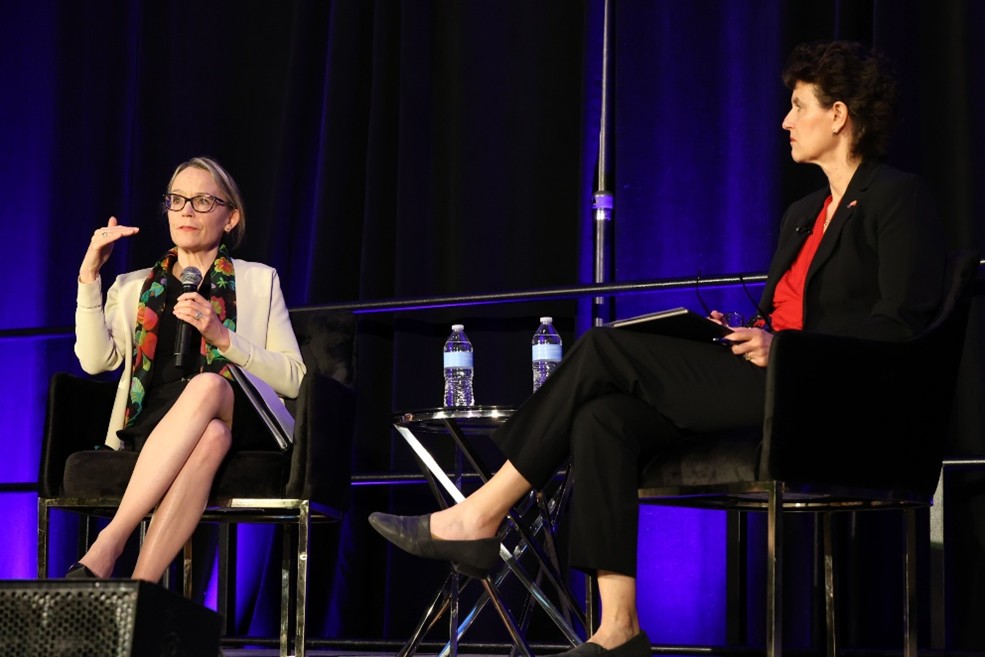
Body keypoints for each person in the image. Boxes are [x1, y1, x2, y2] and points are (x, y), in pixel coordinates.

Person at [369, 40, 947, 657]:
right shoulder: (804, 214)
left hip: (819, 394)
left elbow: (899, 330)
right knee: (602, 419)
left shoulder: (896, 198)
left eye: (798, 105)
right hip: (767, 375)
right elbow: (787, 311)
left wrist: (785, 348)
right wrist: (743, 331)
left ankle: (482, 514)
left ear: (838, 115)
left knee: (603, 349)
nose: (785, 120)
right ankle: (618, 629)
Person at [67, 156, 305, 582]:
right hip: (160, 423)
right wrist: (89, 277)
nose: (187, 211)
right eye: (177, 200)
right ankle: (140, 592)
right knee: (211, 436)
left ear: (231, 218)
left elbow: (295, 378)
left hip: (243, 416)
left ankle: (110, 541)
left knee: (208, 386)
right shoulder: (132, 287)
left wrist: (224, 338)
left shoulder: (258, 281)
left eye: (202, 201)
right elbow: (95, 361)